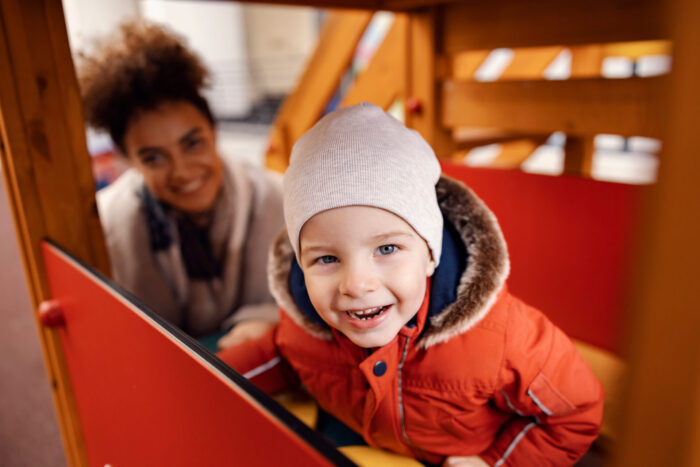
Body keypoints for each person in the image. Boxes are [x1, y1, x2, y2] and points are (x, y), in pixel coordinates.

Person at [219, 103, 604, 465]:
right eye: (326, 258)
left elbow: (575, 413)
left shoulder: (502, 340)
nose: (356, 284)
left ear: (430, 252)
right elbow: (283, 357)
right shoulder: (305, 324)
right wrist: (208, 380)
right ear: (300, 262)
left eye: (386, 248)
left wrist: (497, 463)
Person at [78, 21, 283, 348]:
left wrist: (266, 320)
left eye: (193, 144)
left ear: (214, 130)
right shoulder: (107, 226)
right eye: (154, 158)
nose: (182, 172)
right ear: (128, 160)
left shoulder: (276, 199)